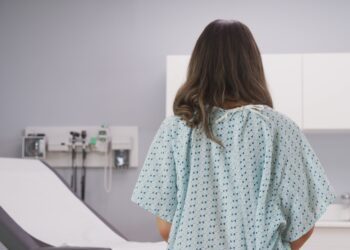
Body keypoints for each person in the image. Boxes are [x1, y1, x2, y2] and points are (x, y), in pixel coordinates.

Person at [131, 19, 336, 250]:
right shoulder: (280, 128)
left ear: (199, 64)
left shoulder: (175, 129)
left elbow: (166, 227)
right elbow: (303, 227)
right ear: (252, 65)